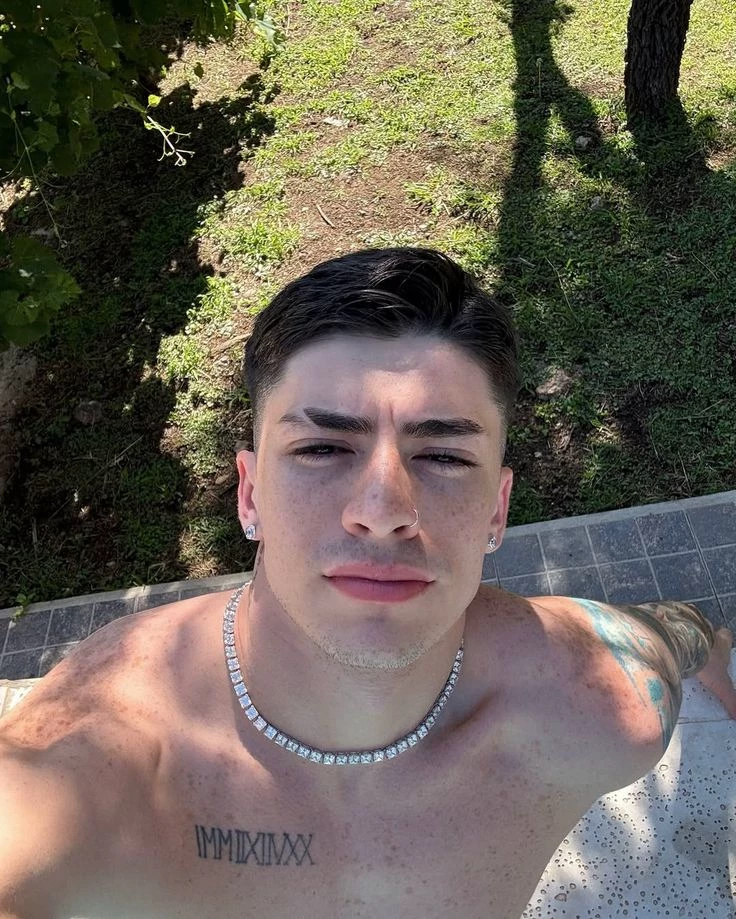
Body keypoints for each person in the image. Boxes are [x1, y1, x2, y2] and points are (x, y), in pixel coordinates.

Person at [0, 247, 734, 919]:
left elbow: (675, 634)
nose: (382, 512)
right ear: (249, 495)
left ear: (497, 509)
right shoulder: (94, 766)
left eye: (443, 457)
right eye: (322, 447)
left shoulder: (600, 706)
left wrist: (711, 647)